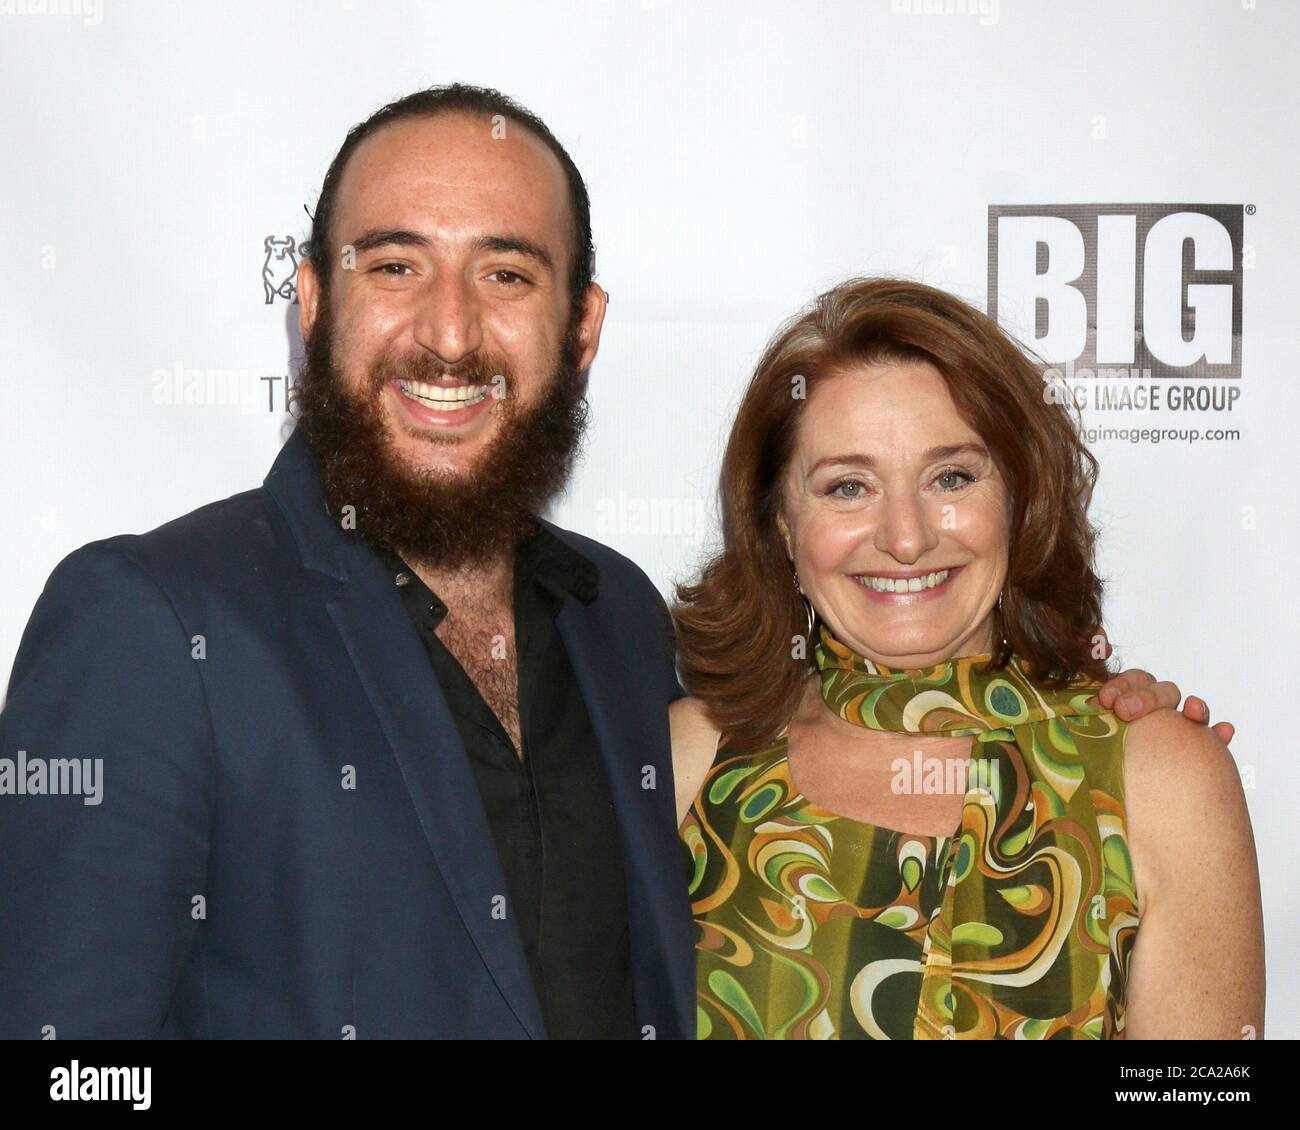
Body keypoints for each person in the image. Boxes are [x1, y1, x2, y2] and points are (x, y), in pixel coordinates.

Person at [0, 88, 1217, 1040]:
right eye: (394, 264)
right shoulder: (155, 620)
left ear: (581, 325)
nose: (449, 328)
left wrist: (1118, 716)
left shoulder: (623, 624)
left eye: (507, 272)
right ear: (310, 303)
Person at [671, 277, 1264, 1040]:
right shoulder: (692, 760)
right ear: (782, 524)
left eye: (951, 477)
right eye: (848, 486)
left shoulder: (1156, 775)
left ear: (1018, 496)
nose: (908, 537)